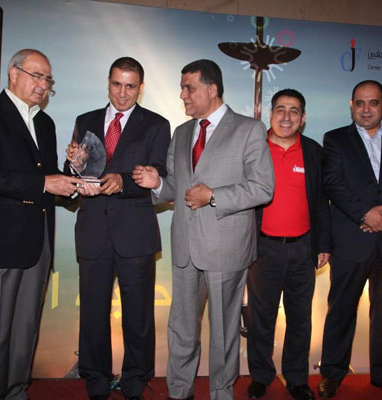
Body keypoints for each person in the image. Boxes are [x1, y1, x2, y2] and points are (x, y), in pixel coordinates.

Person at [132, 59, 274, 400]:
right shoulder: (182, 133)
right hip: (185, 247)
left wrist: (213, 197)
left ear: (212, 89)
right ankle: (179, 391)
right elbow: (176, 186)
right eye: (182, 88)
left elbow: (262, 188)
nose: (182, 95)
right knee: (181, 327)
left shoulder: (249, 129)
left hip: (226, 248)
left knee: (224, 332)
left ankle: (221, 392)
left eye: (189, 88)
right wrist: (156, 184)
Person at [0, 48, 82, 400]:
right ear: (13, 74)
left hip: (37, 244)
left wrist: (73, 173)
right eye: (36, 75)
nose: (43, 85)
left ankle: (16, 392)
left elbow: (46, 178)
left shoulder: (44, 124)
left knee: (24, 332)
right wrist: (46, 182)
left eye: (48, 79)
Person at [65, 57, 171, 400]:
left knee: (138, 316)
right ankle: (95, 380)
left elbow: (158, 175)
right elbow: (75, 173)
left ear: (141, 87)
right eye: (116, 84)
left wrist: (123, 181)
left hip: (135, 233)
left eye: (130, 86)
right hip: (93, 231)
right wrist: (73, 164)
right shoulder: (85, 120)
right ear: (108, 82)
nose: (122, 93)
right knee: (93, 313)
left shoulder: (157, 125)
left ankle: (135, 381)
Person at [318, 80, 382, 400]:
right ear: (351, 105)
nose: (366, 109)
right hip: (351, 240)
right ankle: (332, 373)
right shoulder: (335, 139)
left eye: (373, 103)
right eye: (360, 103)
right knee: (341, 310)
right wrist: (365, 214)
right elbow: (332, 184)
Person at [246, 89, 331, 400]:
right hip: (263, 249)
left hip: (302, 249)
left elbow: (322, 201)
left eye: (294, 111)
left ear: (303, 118)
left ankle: (296, 379)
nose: (286, 116)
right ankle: (261, 377)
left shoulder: (313, 151)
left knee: (300, 319)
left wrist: (323, 243)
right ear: (271, 114)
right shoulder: (254, 147)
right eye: (280, 109)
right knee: (260, 318)